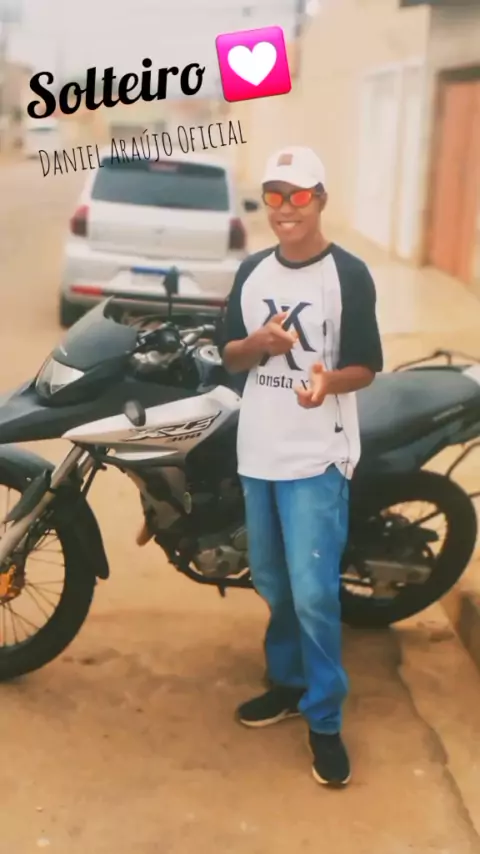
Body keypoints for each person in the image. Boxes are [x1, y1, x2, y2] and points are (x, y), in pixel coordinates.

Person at [218, 146, 383, 788]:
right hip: (258, 450)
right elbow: (229, 355)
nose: (286, 209)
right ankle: (287, 684)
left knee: (314, 593)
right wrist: (256, 343)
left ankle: (325, 719)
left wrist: (327, 382)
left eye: (299, 195)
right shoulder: (252, 271)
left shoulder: (348, 274)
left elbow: (366, 366)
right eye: (274, 196)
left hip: (318, 452)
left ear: (321, 199)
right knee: (272, 580)